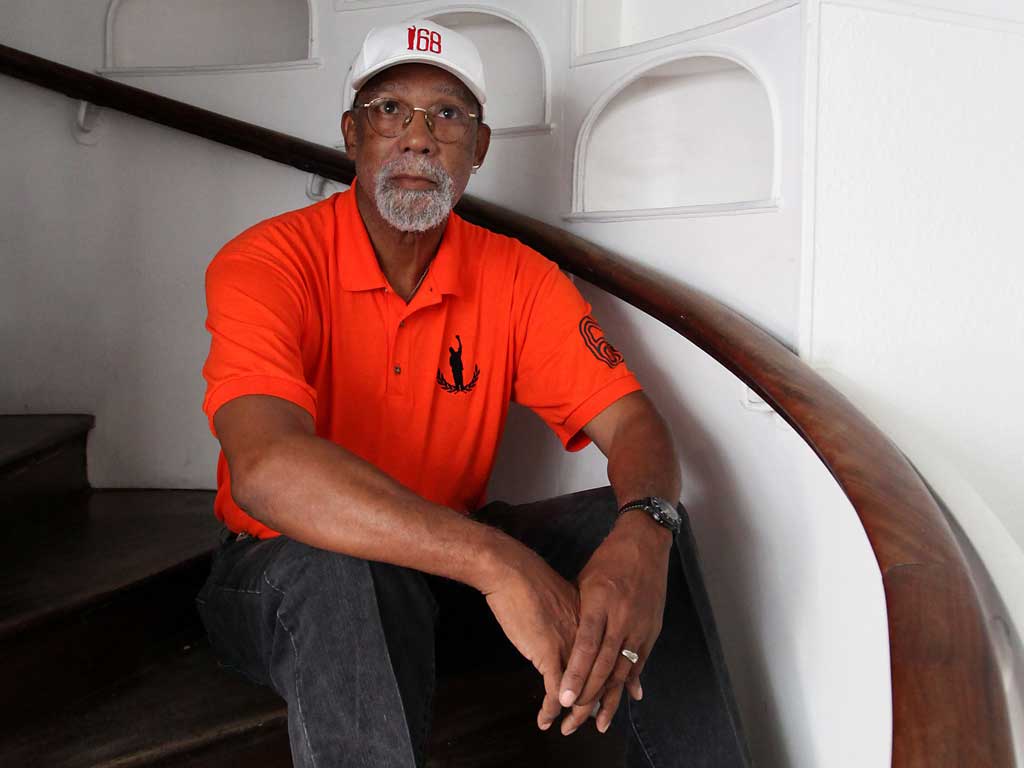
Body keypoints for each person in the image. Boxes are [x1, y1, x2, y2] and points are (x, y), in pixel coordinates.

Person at [196, 19, 745, 768]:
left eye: (448, 115)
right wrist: (497, 562)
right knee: (341, 571)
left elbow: (632, 423)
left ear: (478, 148)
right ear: (352, 134)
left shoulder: (517, 276)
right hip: (281, 576)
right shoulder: (267, 261)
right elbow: (265, 470)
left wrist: (646, 531)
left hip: (442, 573)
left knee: (641, 533)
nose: (419, 139)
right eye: (391, 111)